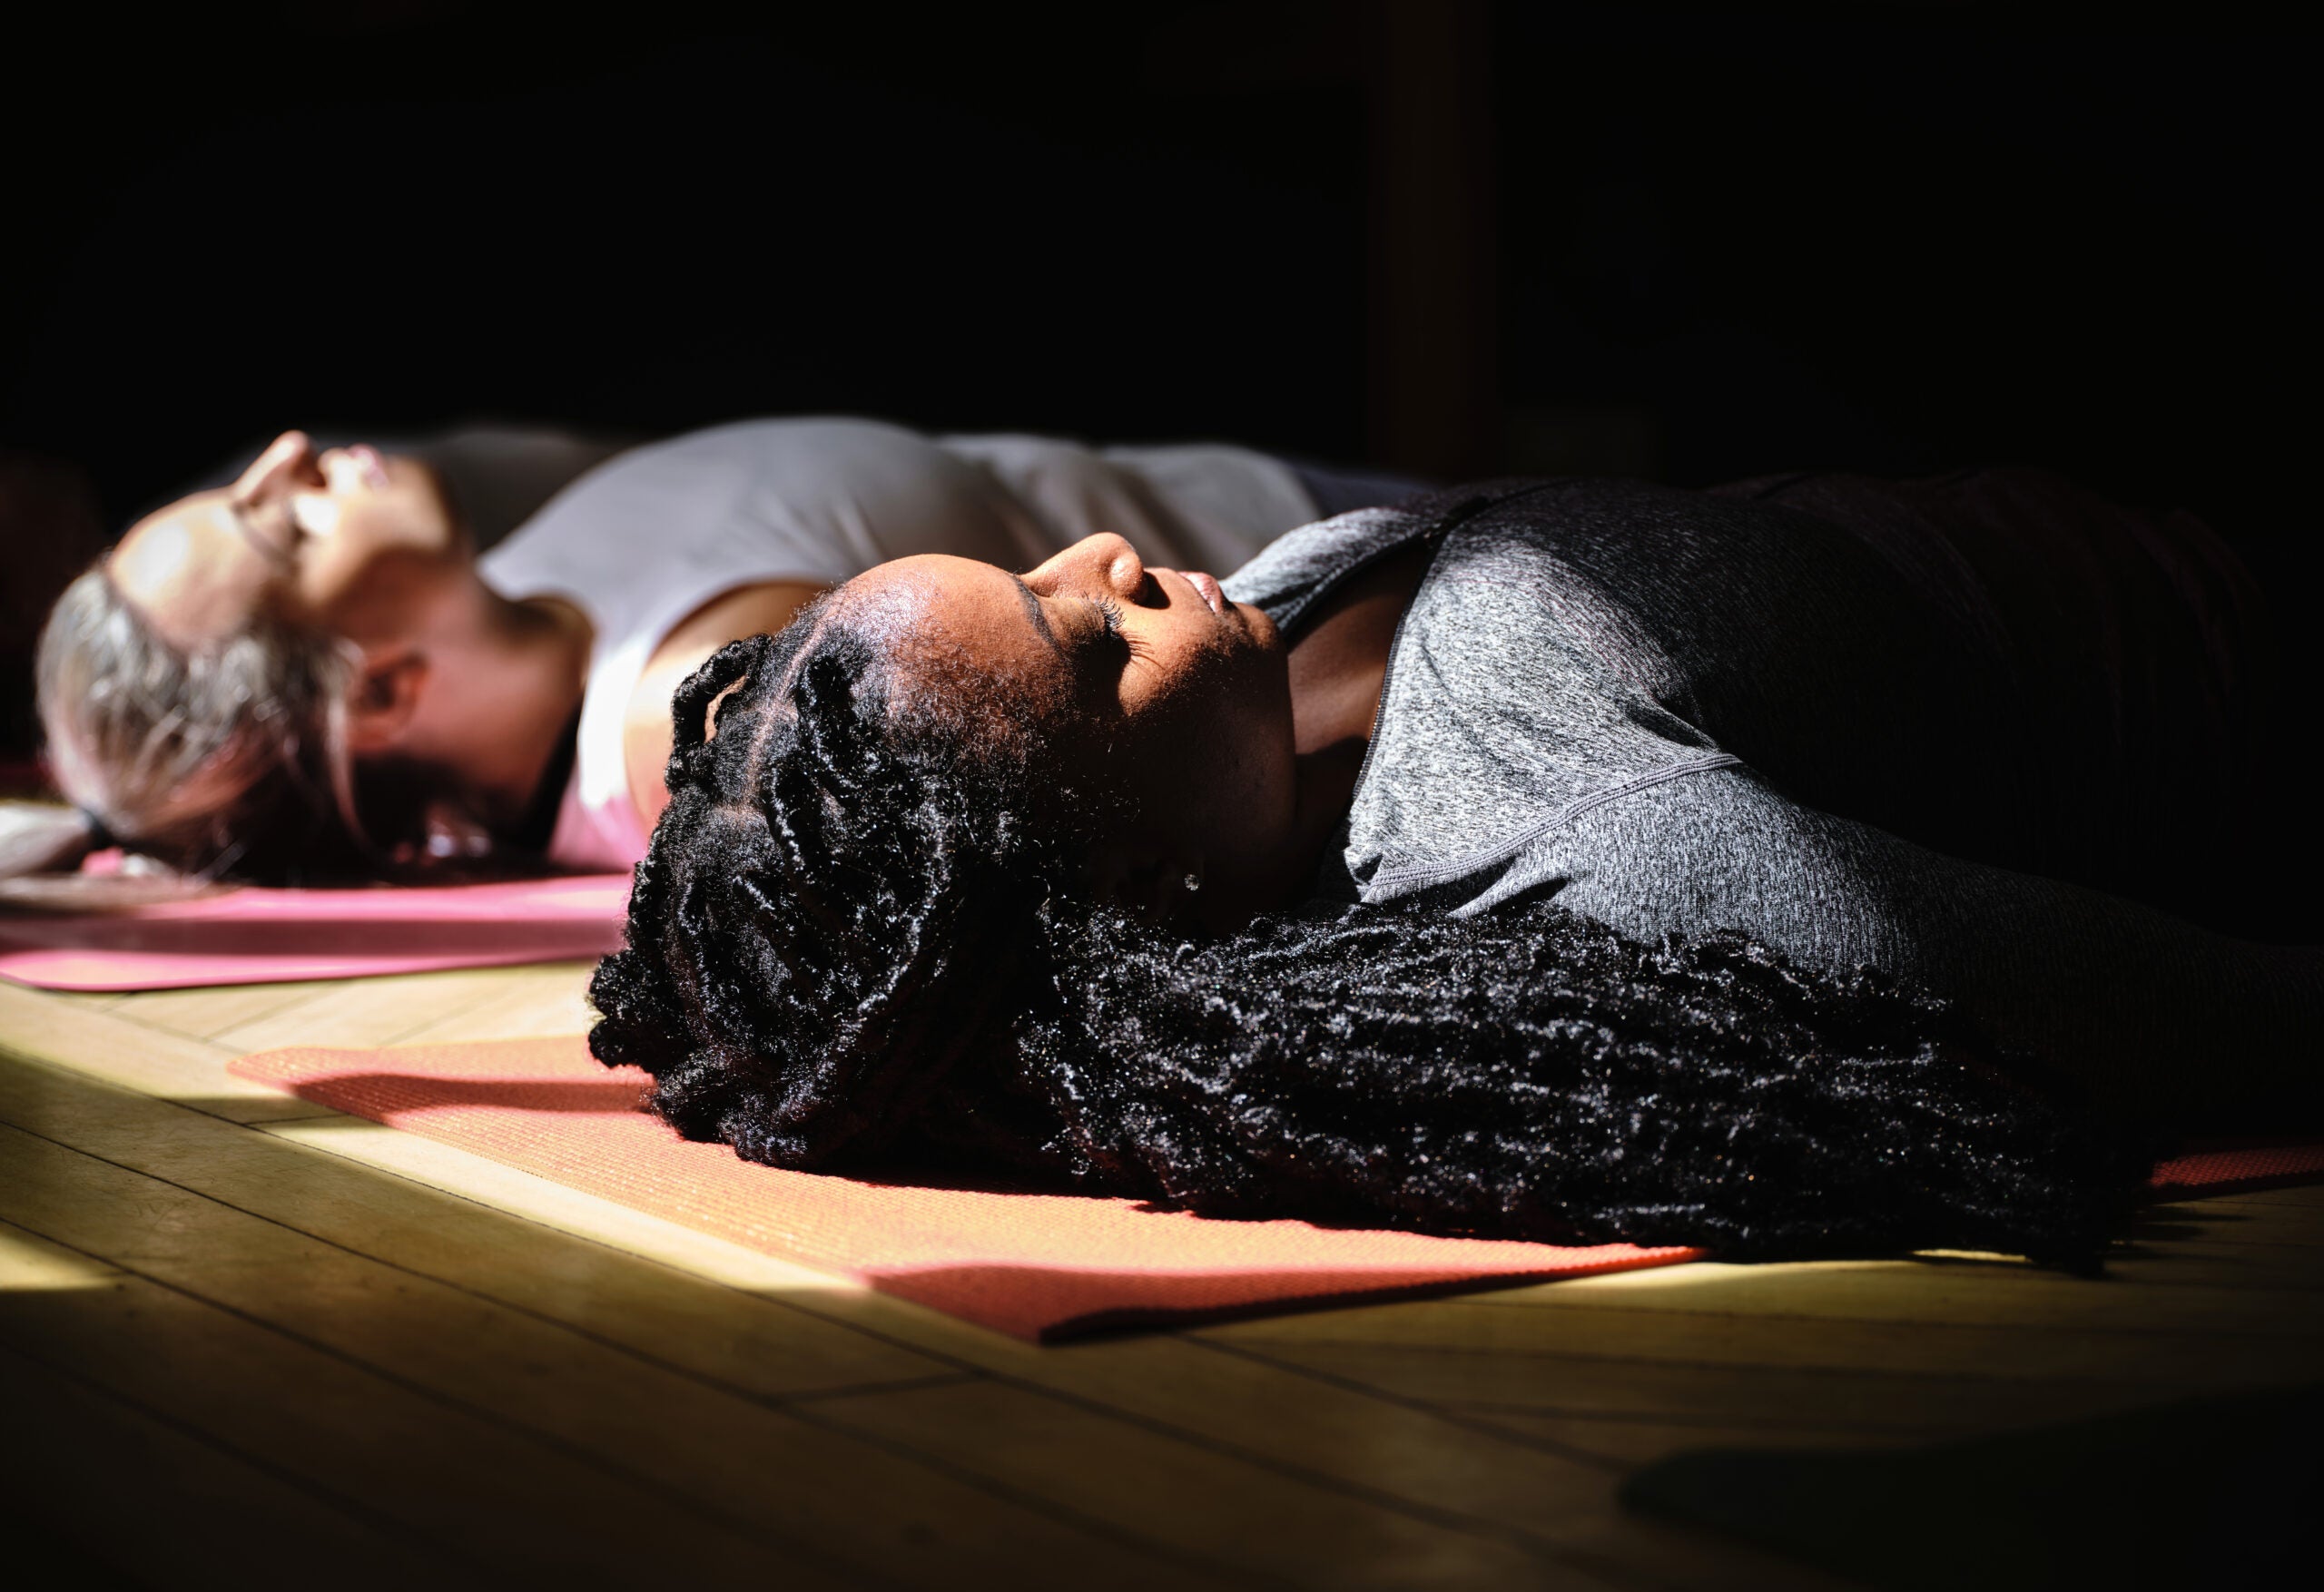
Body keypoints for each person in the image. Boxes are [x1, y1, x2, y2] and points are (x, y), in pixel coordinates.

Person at [586, 469, 2321, 1264]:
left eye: (1040, 566)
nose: (1107, 554)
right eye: (1086, 641)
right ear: (1154, 893)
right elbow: (2199, 1012)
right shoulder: (1575, 835)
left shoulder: (1258, 692)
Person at [13, 417, 1403, 887]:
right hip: (1349, 571)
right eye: (276, 523)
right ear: (376, 691)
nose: (290, 455)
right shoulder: (712, 722)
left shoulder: (526, 584)